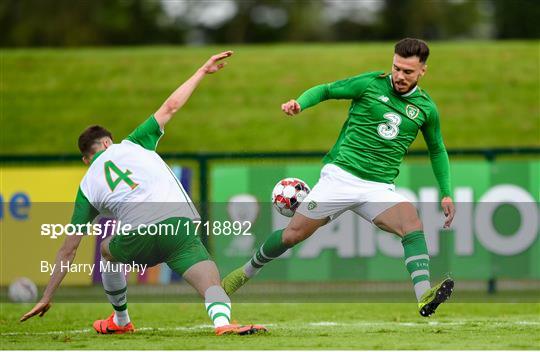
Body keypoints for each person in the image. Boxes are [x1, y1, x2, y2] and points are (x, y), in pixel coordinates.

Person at [20, 51, 266, 335]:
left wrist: (47, 296)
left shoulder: (87, 184)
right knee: (211, 284)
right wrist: (201, 71)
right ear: (108, 142)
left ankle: (121, 321)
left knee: (106, 250)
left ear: (86, 159)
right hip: (180, 227)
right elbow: (171, 106)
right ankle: (223, 324)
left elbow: (69, 248)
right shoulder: (135, 143)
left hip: (139, 239)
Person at [222, 38, 456, 317]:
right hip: (340, 178)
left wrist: (446, 191)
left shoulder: (426, 109)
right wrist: (300, 103)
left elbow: (437, 149)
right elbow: (327, 90)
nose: (400, 76)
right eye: (396, 68)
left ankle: (424, 297)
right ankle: (242, 275)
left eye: (408, 71)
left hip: (378, 188)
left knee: (411, 221)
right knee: (292, 235)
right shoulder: (370, 84)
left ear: (422, 72)